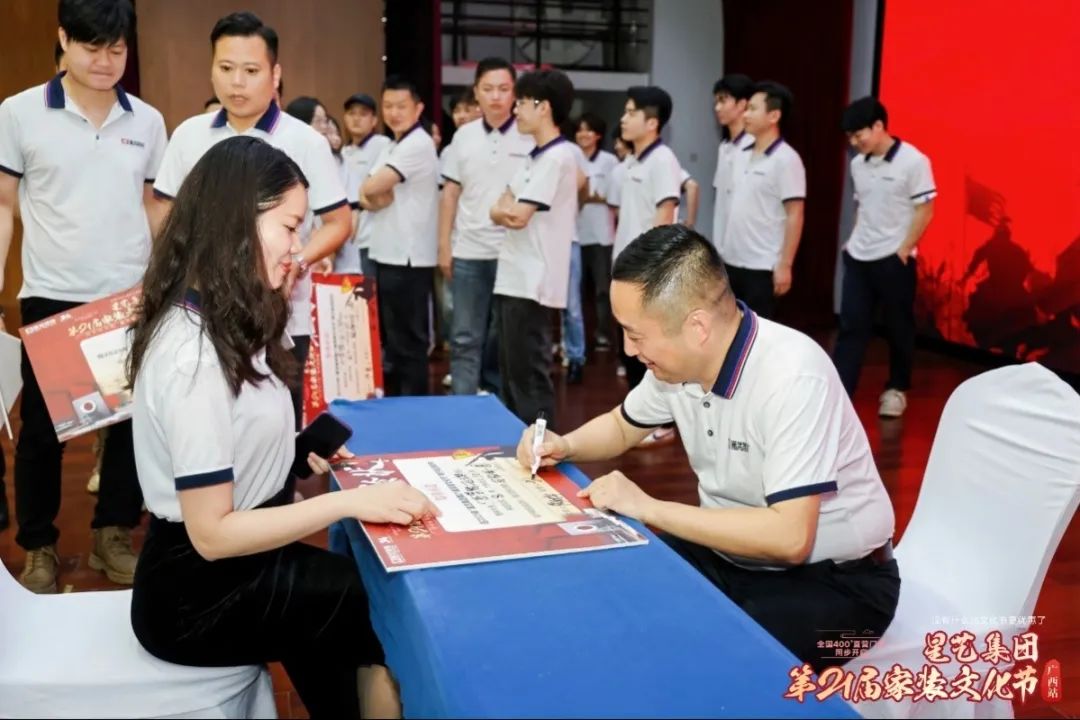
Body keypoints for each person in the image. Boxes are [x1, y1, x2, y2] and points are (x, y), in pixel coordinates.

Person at [128, 136, 434, 719]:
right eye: (290, 227)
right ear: (236, 222)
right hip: (197, 595)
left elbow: (231, 444)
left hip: (237, 567)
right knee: (365, 601)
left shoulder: (224, 319)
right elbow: (212, 534)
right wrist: (348, 504)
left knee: (339, 607)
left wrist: (291, 456)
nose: (299, 247)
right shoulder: (192, 356)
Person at [517, 224, 899, 672]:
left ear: (697, 326)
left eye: (635, 335)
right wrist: (563, 445)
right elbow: (622, 425)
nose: (628, 350)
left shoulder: (792, 376)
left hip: (842, 586)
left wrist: (648, 507)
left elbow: (790, 538)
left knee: (707, 660)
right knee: (617, 599)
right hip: (728, 553)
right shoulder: (676, 368)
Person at [0, 0, 166, 592]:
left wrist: (168, 280)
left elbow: (154, 207)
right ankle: (39, 545)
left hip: (127, 295)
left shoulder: (147, 120)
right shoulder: (19, 113)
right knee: (43, 433)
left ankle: (112, 534)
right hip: (53, 293)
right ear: (64, 39)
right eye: (92, 47)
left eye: (116, 50)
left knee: (127, 427)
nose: (104, 61)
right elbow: (4, 206)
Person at [153, 12, 351, 429]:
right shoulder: (189, 135)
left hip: (281, 315)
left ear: (275, 74)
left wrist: (296, 262)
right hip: (202, 314)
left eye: (251, 70)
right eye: (226, 68)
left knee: (276, 427)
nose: (236, 82)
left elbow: (338, 222)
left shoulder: (306, 141)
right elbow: (165, 214)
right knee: (207, 424)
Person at [832, 96, 936, 417]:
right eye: (850, 137)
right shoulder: (857, 164)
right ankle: (839, 394)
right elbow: (863, 206)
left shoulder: (914, 161)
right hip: (859, 257)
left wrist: (904, 249)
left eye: (858, 134)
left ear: (879, 126)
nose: (854, 142)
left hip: (893, 259)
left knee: (898, 328)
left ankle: (896, 390)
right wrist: (851, 242)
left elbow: (925, 209)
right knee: (851, 327)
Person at [489, 69, 581, 429]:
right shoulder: (534, 157)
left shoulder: (558, 157)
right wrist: (504, 209)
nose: (516, 110)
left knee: (529, 376)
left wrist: (506, 210)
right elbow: (499, 206)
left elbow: (517, 214)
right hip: (514, 276)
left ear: (544, 108)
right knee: (511, 373)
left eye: (523, 102)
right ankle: (520, 445)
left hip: (534, 281)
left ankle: (542, 447)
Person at [440, 58, 533, 397]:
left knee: (504, 339)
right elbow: (450, 194)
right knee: (464, 336)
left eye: (503, 89)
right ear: (476, 92)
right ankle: (463, 407)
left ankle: (497, 406)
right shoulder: (462, 137)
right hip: (469, 251)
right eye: (488, 89)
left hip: (514, 252)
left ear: (514, 93)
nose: (496, 96)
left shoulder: (529, 136)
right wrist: (444, 246)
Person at [611, 86, 682, 445]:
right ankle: (641, 419)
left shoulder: (662, 160)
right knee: (632, 351)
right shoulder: (633, 161)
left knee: (650, 349)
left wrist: (651, 269)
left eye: (630, 112)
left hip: (646, 273)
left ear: (652, 122)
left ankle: (662, 423)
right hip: (627, 271)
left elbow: (665, 212)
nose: (623, 119)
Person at [360, 76, 438, 397]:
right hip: (388, 253)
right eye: (388, 106)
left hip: (409, 257)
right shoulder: (392, 144)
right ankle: (400, 404)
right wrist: (372, 194)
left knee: (409, 342)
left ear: (418, 109)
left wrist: (373, 193)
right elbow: (366, 192)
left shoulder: (418, 143)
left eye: (401, 106)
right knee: (394, 341)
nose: (393, 113)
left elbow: (372, 187)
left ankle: (414, 407)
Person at [724, 80, 805, 319]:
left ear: (773, 116)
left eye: (752, 109)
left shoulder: (787, 159)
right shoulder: (739, 154)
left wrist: (785, 265)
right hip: (732, 260)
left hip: (762, 266)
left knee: (757, 332)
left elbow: (795, 214)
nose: (745, 114)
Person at [574, 113, 619, 354]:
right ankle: (578, 338)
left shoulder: (609, 161)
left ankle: (603, 334)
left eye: (588, 130)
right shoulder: (571, 157)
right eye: (580, 130)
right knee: (576, 290)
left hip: (602, 234)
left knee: (603, 289)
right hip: (575, 233)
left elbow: (613, 195)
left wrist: (591, 197)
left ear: (598, 135)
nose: (583, 134)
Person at [341, 93, 391, 280]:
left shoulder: (382, 145)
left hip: (373, 237)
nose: (356, 118)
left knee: (368, 292)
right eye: (351, 113)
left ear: (374, 120)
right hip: (346, 237)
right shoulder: (344, 152)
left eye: (363, 114)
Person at [710, 74, 755, 253]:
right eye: (716, 101)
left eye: (723, 100)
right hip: (723, 248)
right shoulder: (724, 147)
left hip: (748, 249)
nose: (717, 108)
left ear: (742, 104)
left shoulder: (755, 146)